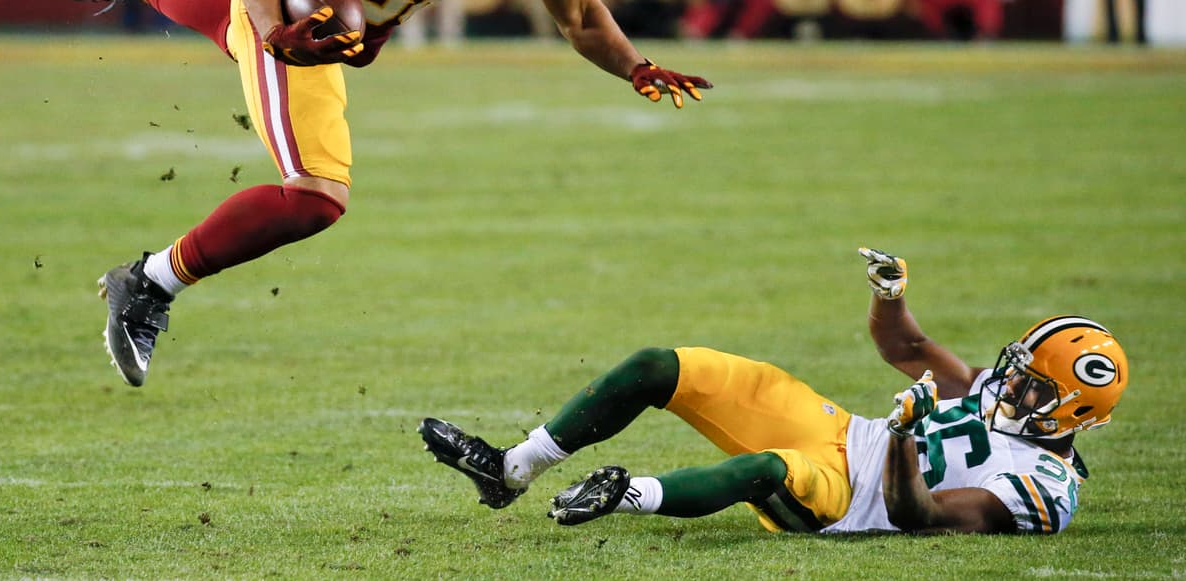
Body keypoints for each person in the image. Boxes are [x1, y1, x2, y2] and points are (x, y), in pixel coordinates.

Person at [60, 0, 712, 388]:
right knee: (317, 192)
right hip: (297, 16)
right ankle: (149, 281)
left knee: (223, 20)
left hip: (346, 29)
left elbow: (578, 13)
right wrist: (272, 32)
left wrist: (635, 65)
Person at [420, 248, 1129, 534]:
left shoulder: (1043, 487)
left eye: (1034, 386)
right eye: (1019, 369)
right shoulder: (994, 392)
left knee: (764, 470)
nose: (1009, 385)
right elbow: (906, 347)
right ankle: (511, 468)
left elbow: (921, 515)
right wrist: (892, 294)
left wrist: (908, 435)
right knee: (663, 365)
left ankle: (627, 493)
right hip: (842, 431)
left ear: (1075, 409)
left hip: (850, 498)